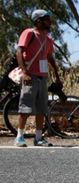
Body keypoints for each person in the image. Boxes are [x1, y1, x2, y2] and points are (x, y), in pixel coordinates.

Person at [14, 9, 62, 147]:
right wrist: (25, 72)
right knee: (25, 107)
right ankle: (19, 137)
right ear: (37, 21)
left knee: (42, 108)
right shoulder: (29, 33)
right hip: (30, 76)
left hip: (42, 77)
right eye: (46, 18)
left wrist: (57, 77)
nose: (49, 21)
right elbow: (19, 51)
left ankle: (38, 137)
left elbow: (50, 58)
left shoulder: (48, 39)